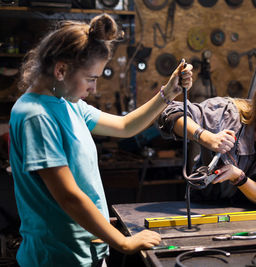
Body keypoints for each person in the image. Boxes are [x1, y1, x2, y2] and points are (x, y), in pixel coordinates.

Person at [9, 14, 192, 267]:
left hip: (88, 251)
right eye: (91, 79)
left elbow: (126, 126)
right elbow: (68, 196)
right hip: (57, 257)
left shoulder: (67, 104)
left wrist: (167, 93)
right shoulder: (35, 115)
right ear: (61, 70)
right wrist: (123, 242)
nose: (94, 89)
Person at [158, 64, 256, 212]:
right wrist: (205, 137)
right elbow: (170, 114)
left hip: (252, 220)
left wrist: (239, 177)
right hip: (203, 210)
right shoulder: (227, 113)